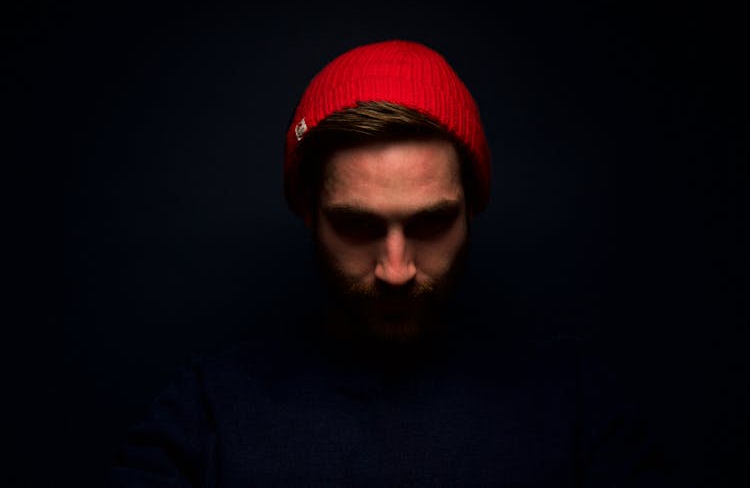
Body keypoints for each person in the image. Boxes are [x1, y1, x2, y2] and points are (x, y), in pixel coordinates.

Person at [107, 40, 670, 487]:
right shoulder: (208, 410)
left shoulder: (572, 406)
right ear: (308, 212)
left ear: (473, 208)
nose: (395, 269)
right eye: (357, 225)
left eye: (429, 223)